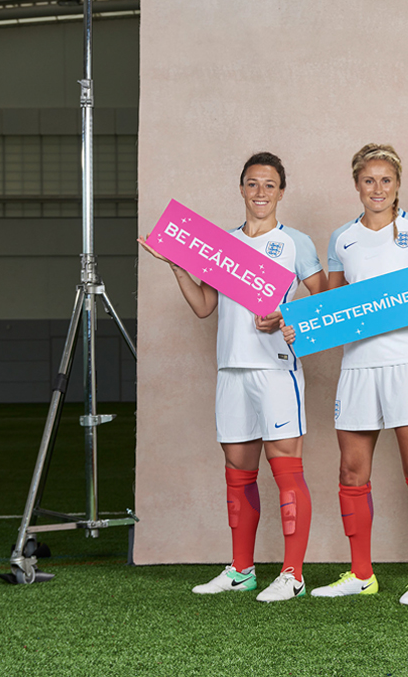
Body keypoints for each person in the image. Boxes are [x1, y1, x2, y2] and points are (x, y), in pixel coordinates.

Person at [138, 152, 324, 602]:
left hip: (276, 370)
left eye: (270, 185)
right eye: (253, 184)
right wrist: (178, 266)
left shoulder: (295, 242)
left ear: (282, 191)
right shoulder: (220, 244)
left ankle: (293, 574)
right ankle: (242, 570)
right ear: (241, 189)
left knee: (286, 471)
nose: (261, 193)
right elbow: (205, 307)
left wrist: (286, 316)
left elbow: (325, 304)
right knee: (238, 474)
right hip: (231, 370)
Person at [299, 144, 408, 606]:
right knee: (351, 470)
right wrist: (294, 321)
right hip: (358, 365)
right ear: (356, 185)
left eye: (386, 180)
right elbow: (327, 308)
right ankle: (362, 573)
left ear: (398, 184)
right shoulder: (341, 239)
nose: (378, 189)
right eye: (369, 180)